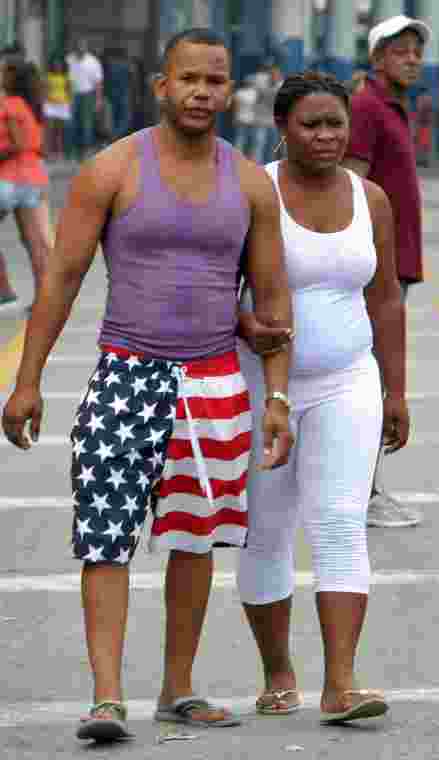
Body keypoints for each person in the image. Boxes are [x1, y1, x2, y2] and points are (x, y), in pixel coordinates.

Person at [0, 27, 295, 743]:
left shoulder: (251, 183)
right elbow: (61, 279)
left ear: (231, 91)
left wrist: (277, 396)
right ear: (161, 86)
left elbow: (274, 301)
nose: (202, 92)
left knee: (195, 542)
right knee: (105, 537)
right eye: (188, 78)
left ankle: (178, 689)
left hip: (215, 383)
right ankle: (107, 697)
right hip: (125, 376)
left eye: (215, 81)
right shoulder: (111, 169)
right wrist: (26, 380)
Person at [235, 69, 409, 723]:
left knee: (339, 523)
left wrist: (396, 389)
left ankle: (341, 683)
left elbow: (386, 297)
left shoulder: (372, 199)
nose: (326, 135)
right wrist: (245, 325)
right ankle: (278, 671)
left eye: (336, 123)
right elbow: (217, 290)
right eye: (310, 123)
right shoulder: (253, 192)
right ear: (282, 128)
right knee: (267, 533)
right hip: (263, 389)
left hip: (348, 381)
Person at [343, 14, 430, 529]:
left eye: (417, 52)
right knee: (369, 378)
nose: (412, 59)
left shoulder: (394, 107)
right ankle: (365, 493)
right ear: (377, 60)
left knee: (372, 375)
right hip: (376, 268)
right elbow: (351, 187)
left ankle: (365, 487)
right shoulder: (368, 107)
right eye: (401, 51)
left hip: (394, 265)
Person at [0, 61, 52, 310]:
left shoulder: (10, 105)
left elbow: (17, 144)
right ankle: (44, 298)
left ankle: (4, 290)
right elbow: (38, 144)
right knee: (34, 241)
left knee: (34, 241)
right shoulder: (35, 107)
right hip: (33, 177)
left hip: (9, 178)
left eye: (4, 73)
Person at [66, 39, 104, 161]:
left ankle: (85, 151)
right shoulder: (69, 59)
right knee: (72, 123)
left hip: (87, 95)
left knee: (86, 124)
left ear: (86, 48)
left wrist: (98, 99)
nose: (80, 49)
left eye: (82, 47)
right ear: (75, 47)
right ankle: (72, 151)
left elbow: (98, 83)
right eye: (78, 46)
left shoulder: (93, 62)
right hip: (71, 94)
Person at [44, 57, 71, 160]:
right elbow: (45, 90)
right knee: (50, 129)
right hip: (51, 105)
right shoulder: (48, 76)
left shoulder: (66, 77)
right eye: (55, 64)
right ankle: (49, 152)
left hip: (62, 105)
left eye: (59, 64)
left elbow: (69, 91)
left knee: (60, 131)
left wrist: (68, 103)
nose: (57, 66)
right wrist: (47, 98)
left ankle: (60, 152)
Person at [232, 74, 261, 160]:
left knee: (240, 139)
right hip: (251, 119)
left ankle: (237, 157)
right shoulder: (255, 93)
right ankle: (252, 158)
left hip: (242, 118)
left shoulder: (239, 92)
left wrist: (235, 118)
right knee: (251, 140)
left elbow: (235, 107)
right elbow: (257, 107)